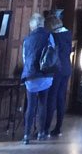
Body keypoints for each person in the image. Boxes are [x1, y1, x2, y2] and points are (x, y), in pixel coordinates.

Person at [21, 12, 54, 144]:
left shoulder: (27, 39)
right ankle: (41, 133)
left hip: (31, 75)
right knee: (43, 104)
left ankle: (26, 135)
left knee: (31, 105)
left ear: (32, 25)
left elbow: (24, 58)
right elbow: (52, 53)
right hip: (45, 74)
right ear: (42, 24)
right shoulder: (48, 36)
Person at [42, 13, 73, 137]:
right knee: (61, 98)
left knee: (52, 97)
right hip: (66, 68)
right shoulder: (68, 34)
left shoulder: (54, 36)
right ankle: (58, 127)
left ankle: (45, 128)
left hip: (56, 69)